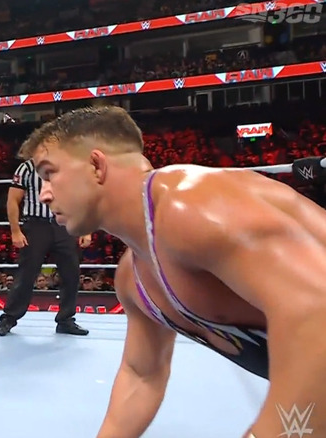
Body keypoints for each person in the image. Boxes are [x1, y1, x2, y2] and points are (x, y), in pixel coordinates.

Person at [17, 105, 326, 438]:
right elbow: (141, 375)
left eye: (49, 174)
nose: (44, 194)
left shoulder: (192, 204)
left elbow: (318, 312)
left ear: (96, 165)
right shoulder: (134, 279)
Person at [0, 157, 92, 336]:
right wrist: (15, 230)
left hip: (63, 224)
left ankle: (66, 319)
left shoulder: (68, 166)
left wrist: (85, 229)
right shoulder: (27, 168)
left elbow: (81, 198)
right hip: (36, 225)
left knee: (71, 273)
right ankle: (9, 318)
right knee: (26, 273)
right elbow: (13, 200)